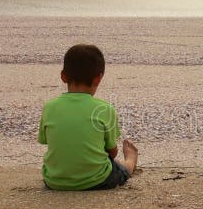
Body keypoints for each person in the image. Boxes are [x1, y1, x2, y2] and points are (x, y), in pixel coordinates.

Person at [38, 44, 138, 190]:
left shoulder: (49, 107)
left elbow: (48, 141)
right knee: (120, 169)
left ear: (63, 76)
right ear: (98, 79)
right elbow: (112, 151)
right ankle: (131, 159)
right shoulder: (105, 109)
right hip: (97, 181)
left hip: (54, 180)